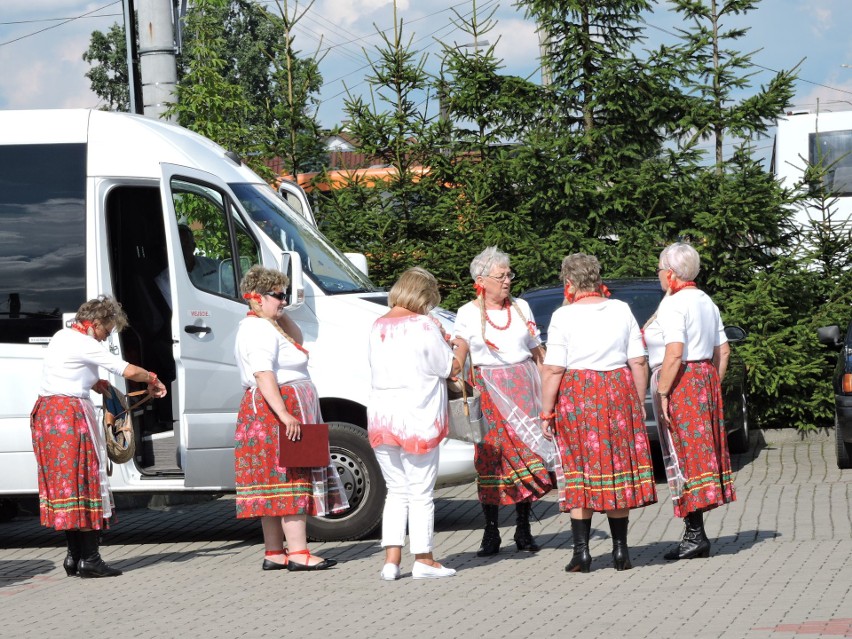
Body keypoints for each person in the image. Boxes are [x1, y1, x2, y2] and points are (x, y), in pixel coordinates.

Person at [30, 295, 167, 578]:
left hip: (47, 414)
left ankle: (74, 556)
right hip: (69, 415)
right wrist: (153, 379)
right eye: (107, 330)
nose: (105, 338)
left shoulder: (62, 336)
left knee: (68, 484)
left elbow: (68, 370)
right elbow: (126, 369)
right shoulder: (86, 343)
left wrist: (96, 382)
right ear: (95, 323)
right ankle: (90, 559)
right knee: (86, 480)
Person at [540, 253, 657, 572]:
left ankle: (582, 553)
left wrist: (546, 410)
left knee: (581, 469)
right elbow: (638, 361)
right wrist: (635, 398)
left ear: (569, 283)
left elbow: (553, 369)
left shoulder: (563, 317)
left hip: (579, 396)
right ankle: (621, 552)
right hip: (617, 390)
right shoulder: (621, 310)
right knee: (617, 468)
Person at [234, 265, 348, 571]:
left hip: (278, 410)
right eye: (278, 296)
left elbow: (297, 338)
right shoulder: (257, 329)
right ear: (257, 297)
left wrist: (279, 311)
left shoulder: (266, 324)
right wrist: (284, 414)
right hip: (276, 412)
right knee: (290, 479)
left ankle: (275, 552)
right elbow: (262, 372)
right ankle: (298, 552)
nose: (283, 301)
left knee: (274, 482)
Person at [451, 247, 555, 557]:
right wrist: (448, 371)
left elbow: (538, 353)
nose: (508, 280)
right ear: (481, 280)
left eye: (510, 274)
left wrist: (550, 390)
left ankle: (523, 527)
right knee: (491, 458)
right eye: (502, 276)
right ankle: (491, 531)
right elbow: (459, 357)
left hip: (523, 390)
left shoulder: (521, 307)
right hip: (489, 393)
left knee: (526, 454)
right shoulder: (468, 312)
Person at [368, 267, 462, 580]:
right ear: (423, 296)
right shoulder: (423, 325)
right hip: (417, 417)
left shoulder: (377, 325)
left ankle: (391, 562)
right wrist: (460, 344)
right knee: (421, 493)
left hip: (383, 417)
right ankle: (424, 558)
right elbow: (449, 367)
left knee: (396, 491)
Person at [644, 242, 735, 560]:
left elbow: (674, 352)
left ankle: (695, 535)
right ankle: (695, 532)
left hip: (681, 379)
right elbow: (723, 351)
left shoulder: (674, 303)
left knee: (684, 454)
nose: (657, 275)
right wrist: (711, 382)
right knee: (695, 455)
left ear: (670, 273)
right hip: (702, 378)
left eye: (658, 269)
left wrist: (665, 392)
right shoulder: (705, 300)